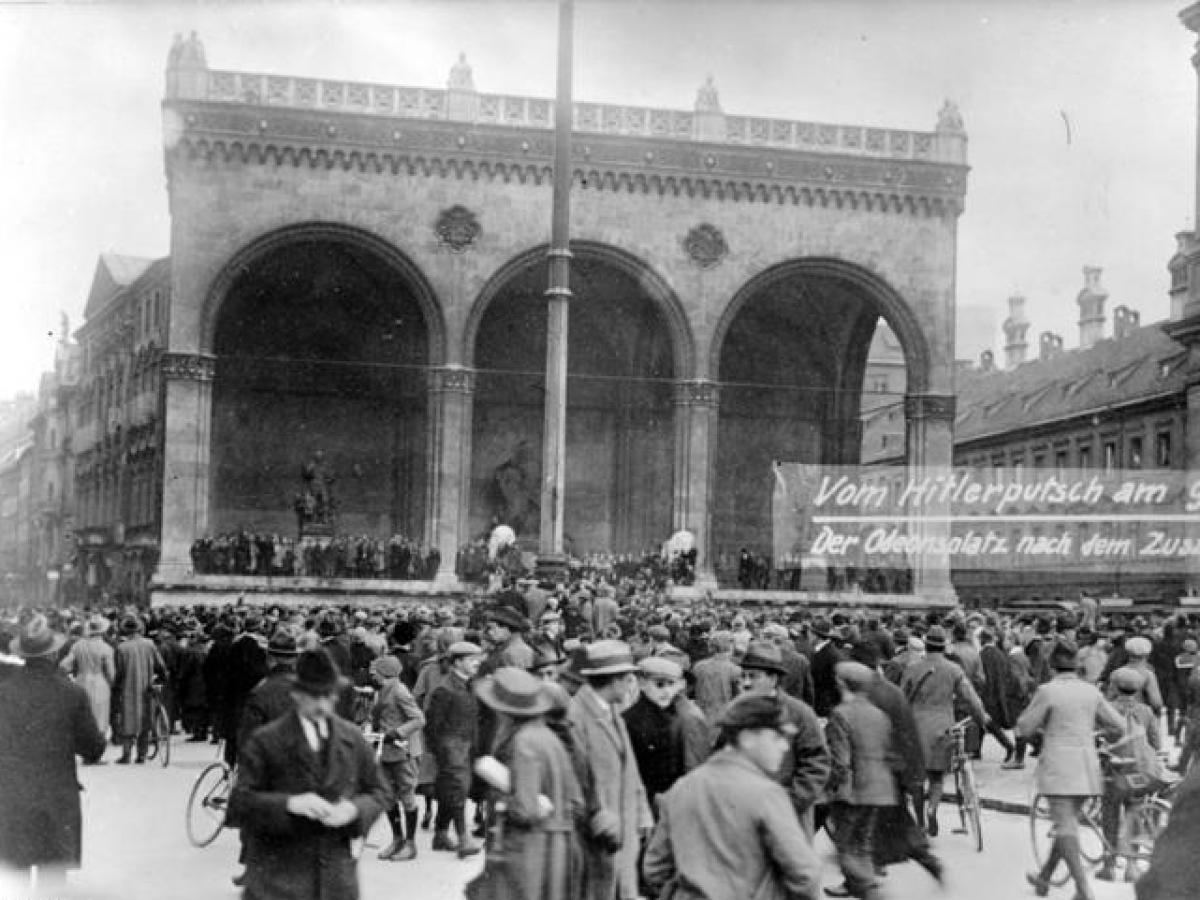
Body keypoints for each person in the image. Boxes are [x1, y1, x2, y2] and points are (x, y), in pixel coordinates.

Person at [228, 647, 389, 900]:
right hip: (276, 881)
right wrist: (290, 804)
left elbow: (380, 792)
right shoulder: (267, 741)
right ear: (297, 695)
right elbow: (239, 804)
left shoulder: (352, 738)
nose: (323, 705)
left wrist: (354, 810)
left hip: (336, 880)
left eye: (329, 695)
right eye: (314, 696)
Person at [642, 693, 821, 900]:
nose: (784, 746)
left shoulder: (682, 788)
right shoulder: (766, 794)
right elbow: (805, 874)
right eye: (777, 736)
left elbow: (654, 869)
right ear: (747, 738)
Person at [0, 614, 106, 894]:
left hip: (12, 797)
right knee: (52, 881)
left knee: (15, 878)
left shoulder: (3, 693)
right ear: (54, 653)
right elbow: (93, 749)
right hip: (56, 798)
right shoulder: (73, 694)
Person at [1018, 638, 1125, 900]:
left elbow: (1024, 728)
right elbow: (1119, 725)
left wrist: (1045, 730)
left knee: (1065, 827)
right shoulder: (1091, 692)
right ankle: (1044, 878)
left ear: (1052, 666)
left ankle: (1082, 888)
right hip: (1087, 767)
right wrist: (1091, 733)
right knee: (1067, 825)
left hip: (1058, 768)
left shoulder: (1048, 691)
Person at [471, 667, 585, 900]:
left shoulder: (523, 742)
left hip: (529, 849)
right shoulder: (548, 737)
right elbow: (575, 798)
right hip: (557, 846)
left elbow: (526, 809)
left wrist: (504, 797)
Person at [568, 639, 654, 900]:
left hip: (623, 828)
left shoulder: (613, 710)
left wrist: (642, 811)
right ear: (615, 680)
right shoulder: (576, 718)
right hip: (597, 835)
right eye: (629, 679)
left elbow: (629, 767)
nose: (632, 686)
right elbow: (574, 783)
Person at [734, 641, 830, 836]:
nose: (746, 683)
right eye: (743, 676)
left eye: (753, 676)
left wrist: (790, 801)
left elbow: (817, 764)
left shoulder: (799, 714)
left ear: (773, 678)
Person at [900, 625, 987, 836]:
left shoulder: (912, 668)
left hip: (916, 727)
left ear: (926, 645)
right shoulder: (953, 670)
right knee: (937, 776)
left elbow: (901, 698)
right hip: (943, 727)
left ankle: (920, 820)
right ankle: (933, 809)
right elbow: (971, 698)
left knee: (917, 780)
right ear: (944, 646)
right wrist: (982, 719)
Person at [824, 660, 898, 900]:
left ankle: (870, 891)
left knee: (845, 847)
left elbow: (841, 761)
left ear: (841, 684)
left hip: (853, 790)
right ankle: (854, 884)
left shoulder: (840, 714)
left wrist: (830, 786)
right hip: (880, 787)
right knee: (863, 843)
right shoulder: (879, 715)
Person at [426, 640, 486, 857]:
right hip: (451, 749)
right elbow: (432, 725)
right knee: (457, 789)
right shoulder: (444, 689)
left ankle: (441, 835)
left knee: (449, 790)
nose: (477, 664)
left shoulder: (470, 684)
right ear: (457, 662)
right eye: (472, 660)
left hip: (466, 747)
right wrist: (443, 752)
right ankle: (463, 838)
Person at [370, 653, 425, 862]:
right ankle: (397, 839)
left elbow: (419, 719)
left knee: (407, 796)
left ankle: (410, 844)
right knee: (388, 796)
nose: (372, 675)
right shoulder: (383, 690)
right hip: (387, 752)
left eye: (375, 671)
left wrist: (397, 733)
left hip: (404, 752)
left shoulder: (400, 691)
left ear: (385, 673)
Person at [113, 614, 167, 764]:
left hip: (128, 689)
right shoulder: (149, 644)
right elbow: (160, 666)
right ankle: (142, 754)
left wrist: (116, 689)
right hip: (147, 687)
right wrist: (160, 681)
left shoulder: (122, 648)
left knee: (127, 720)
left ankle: (126, 754)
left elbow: (119, 673)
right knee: (145, 720)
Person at [59, 613, 115, 745]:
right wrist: (110, 684)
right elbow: (111, 674)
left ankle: (85, 747)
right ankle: (96, 749)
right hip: (100, 682)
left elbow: (64, 665)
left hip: (81, 681)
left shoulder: (78, 645)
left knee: (84, 716)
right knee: (100, 717)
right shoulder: (106, 648)